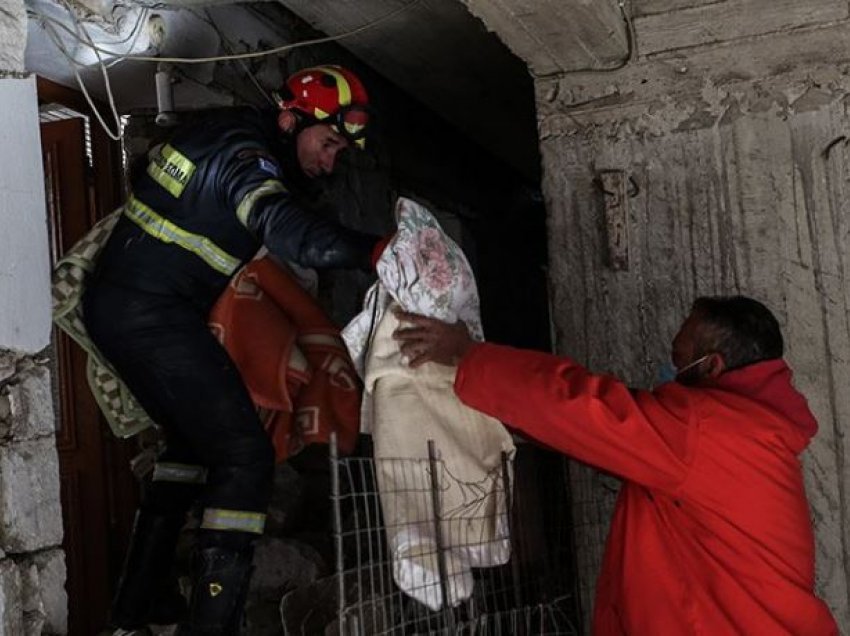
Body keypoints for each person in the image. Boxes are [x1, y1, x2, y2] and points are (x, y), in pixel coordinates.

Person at [83, 65, 385, 635]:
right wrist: (381, 251)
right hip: (151, 316)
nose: (329, 161)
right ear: (290, 119)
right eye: (327, 144)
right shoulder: (247, 157)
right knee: (244, 457)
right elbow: (288, 230)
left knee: (192, 448)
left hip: (127, 309)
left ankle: (140, 610)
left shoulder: (220, 133)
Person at [393, 295, 839, 634]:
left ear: (714, 367)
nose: (669, 372)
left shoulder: (707, 429)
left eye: (679, 361)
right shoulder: (756, 435)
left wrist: (469, 355)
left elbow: (585, 407)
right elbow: (613, 443)